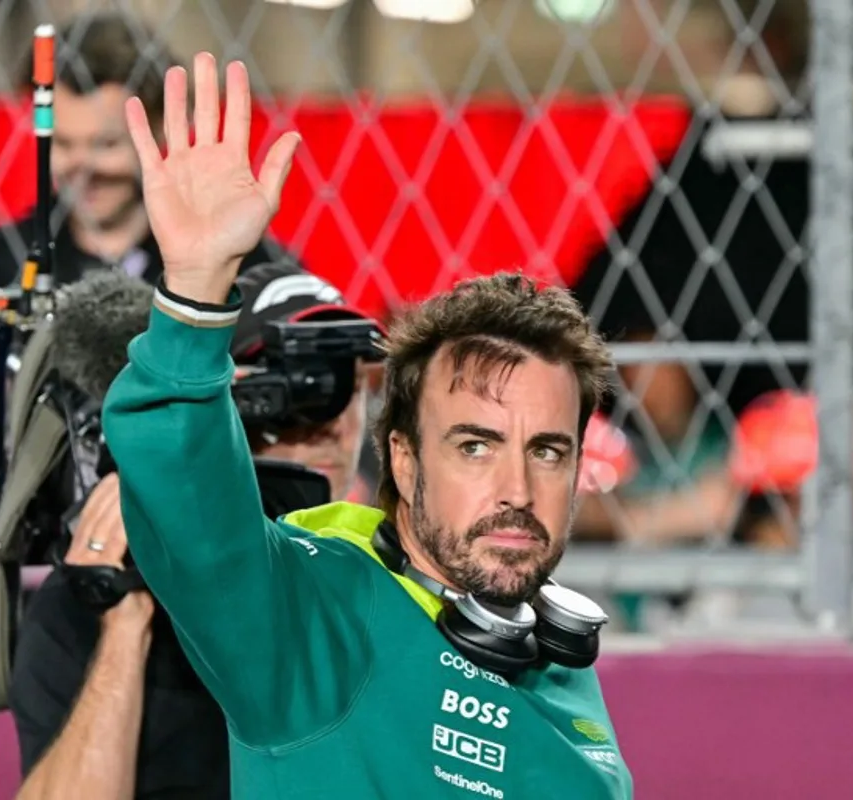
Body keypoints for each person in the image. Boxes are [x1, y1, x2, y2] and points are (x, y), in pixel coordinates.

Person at [101, 53, 633, 798]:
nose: (517, 487)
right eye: (475, 445)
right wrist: (193, 292)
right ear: (405, 463)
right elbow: (191, 507)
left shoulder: (553, 656)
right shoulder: (313, 619)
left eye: (547, 450)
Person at [0, 13, 286, 634]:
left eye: (108, 144)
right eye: (67, 145)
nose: (84, 167)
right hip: (18, 591)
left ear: (158, 131)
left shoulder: (240, 262)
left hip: (194, 591)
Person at [8, 262, 378, 800]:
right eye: (290, 384)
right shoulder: (94, 597)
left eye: (341, 380)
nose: (324, 419)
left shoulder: (382, 580)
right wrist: (125, 619)